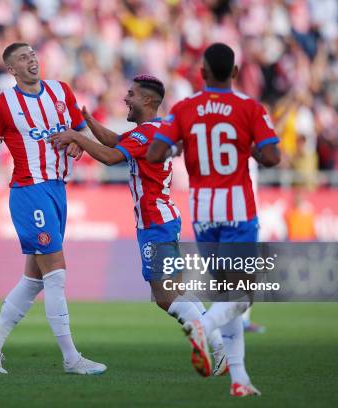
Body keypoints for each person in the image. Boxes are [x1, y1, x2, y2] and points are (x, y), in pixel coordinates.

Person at [51, 75, 228, 376]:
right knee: (178, 292)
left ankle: (212, 339)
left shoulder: (145, 136)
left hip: (154, 223)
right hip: (165, 217)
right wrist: (87, 121)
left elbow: (108, 157)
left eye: (130, 95)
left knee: (163, 298)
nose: (125, 99)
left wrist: (75, 136)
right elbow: (112, 142)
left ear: (147, 101)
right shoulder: (152, 131)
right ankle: (220, 346)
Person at [146, 43, 280, 397]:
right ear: (234, 73)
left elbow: (155, 152)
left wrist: (180, 146)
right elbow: (272, 156)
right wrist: (248, 146)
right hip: (237, 210)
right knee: (244, 294)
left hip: (203, 212)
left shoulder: (184, 108)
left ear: (202, 73)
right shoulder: (249, 107)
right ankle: (203, 326)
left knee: (227, 294)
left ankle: (239, 380)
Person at [0, 43, 107, 375]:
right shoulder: (1, 105)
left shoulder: (61, 91)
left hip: (58, 190)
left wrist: (77, 141)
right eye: (23, 58)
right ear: (12, 70)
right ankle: (71, 358)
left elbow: (80, 131)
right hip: (29, 190)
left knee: (33, 280)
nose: (31, 61)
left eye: (33, 55)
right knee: (57, 272)